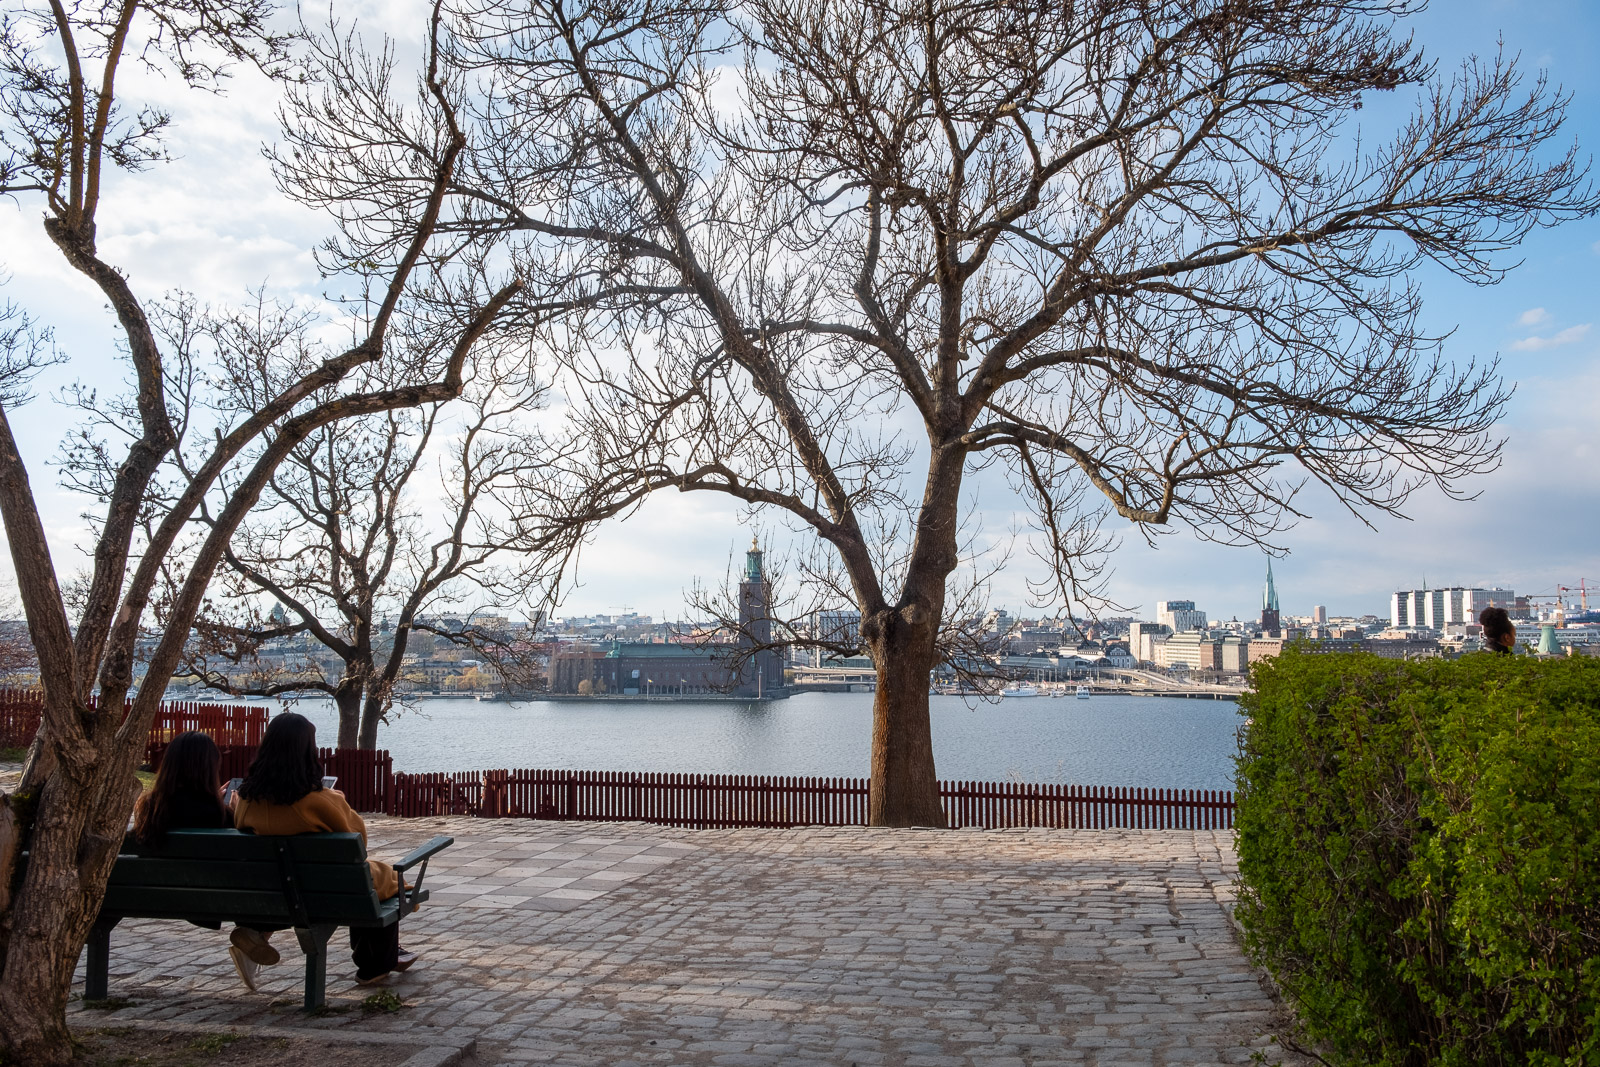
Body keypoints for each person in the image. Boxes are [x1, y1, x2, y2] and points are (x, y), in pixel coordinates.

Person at [233, 712, 417, 987]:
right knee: (385, 879)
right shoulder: (320, 799)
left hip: (270, 891)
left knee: (368, 880)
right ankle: (374, 964)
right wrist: (340, 802)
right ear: (308, 750)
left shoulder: (247, 799)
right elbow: (357, 843)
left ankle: (257, 929)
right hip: (325, 890)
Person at [130, 731, 282, 990]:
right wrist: (234, 810)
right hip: (220, 901)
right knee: (273, 883)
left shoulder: (147, 808)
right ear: (209, 768)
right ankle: (254, 935)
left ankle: (253, 938)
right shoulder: (217, 814)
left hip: (161, 897)